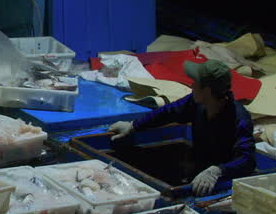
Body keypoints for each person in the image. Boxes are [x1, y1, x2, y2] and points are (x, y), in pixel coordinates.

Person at [108, 59, 256, 196]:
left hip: (223, 185)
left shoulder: (239, 119)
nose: (191, 86)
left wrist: (218, 171)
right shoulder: (196, 103)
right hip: (197, 172)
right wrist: (133, 126)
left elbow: (247, 160)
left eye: (195, 82)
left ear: (207, 91)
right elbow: (168, 112)